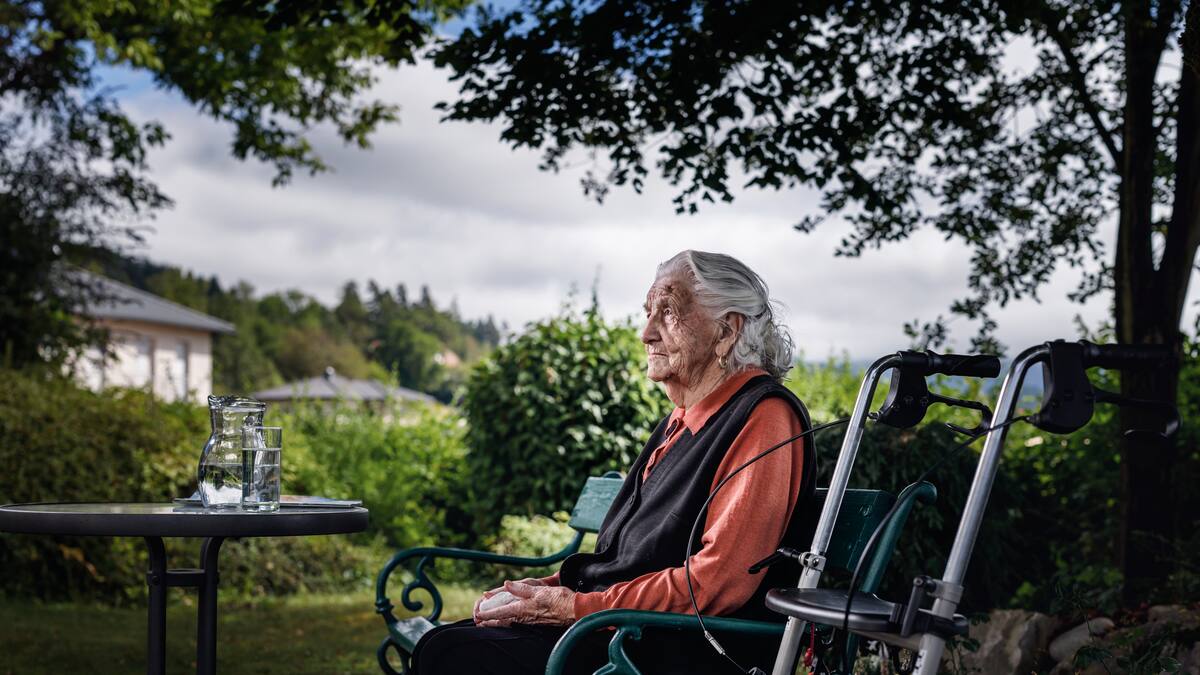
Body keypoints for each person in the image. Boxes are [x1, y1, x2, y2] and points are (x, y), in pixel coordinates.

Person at [413, 250, 815, 675]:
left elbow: (718, 583)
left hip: (679, 646)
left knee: (452, 655)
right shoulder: (681, 421)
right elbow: (633, 559)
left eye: (669, 311)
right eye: (648, 312)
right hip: (625, 628)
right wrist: (551, 589)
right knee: (440, 643)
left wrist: (581, 607)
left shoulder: (764, 417)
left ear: (726, 331)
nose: (646, 333)